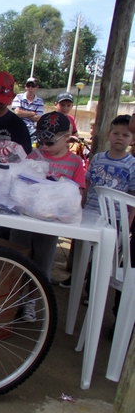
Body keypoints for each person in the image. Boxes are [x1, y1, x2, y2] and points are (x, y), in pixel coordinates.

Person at [8, 112, 86, 320]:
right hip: (25, 220)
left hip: (52, 224)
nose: (44, 146)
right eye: (41, 141)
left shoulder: (75, 162)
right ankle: (13, 299)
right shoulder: (34, 156)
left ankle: (31, 300)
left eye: (50, 142)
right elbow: (20, 184)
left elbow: (77, 197)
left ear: (67, 137)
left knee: (42, 263)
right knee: (17, 257)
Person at [63, 115, 135, 324]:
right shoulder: (97, 158)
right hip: (91, 213)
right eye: (116, 133)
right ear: (108, 135)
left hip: (116, 220)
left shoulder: (132, 164)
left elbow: (132, 196)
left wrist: (129, 221)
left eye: (125, 135)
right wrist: (80, 206)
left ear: (132, 139)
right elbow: (86, 184)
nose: (119, 138)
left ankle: (93, 290)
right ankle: (77, 279)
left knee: (104, 259)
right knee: (81, 252)